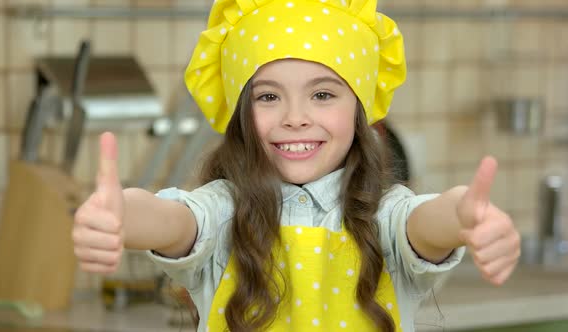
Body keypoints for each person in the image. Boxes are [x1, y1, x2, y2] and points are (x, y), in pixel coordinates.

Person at [71, 0, 521, 331]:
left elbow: (426, 224)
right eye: (268, 96)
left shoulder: (384, 216)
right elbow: (172, 220)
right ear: (242, 115)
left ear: (360, 110)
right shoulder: (223, 212)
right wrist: (122, 216)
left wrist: (463, 214)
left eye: (322, 94)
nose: (295, 117)